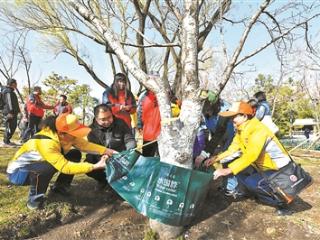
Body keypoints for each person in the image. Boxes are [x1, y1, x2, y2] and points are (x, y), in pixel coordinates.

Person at [7, 113, 116, 210]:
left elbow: (84, 145)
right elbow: (65, 167)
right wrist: (95, 166)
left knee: (74, 154)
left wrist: (107, 150)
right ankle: (34, 201)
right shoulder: (46, 143)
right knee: (46, 168)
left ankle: (60, 188)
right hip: (18, 173)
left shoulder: (66, 135)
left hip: (38, 165)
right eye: (75, 133)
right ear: (62, 133)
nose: (77, 135)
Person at [206, 101, 293, 215]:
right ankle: (263, 191)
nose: (232, 120)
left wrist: (227, 170)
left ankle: (283, 202)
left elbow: (251, 155)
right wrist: (215, 158)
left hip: (279, 168)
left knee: (251, 182)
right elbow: (233, 149)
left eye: (234, 116)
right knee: (241, 174)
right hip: (265, 166)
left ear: (244, 116)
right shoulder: (241, 130)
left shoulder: (257, 130)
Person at [85, 104, 136, 189]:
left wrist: (129, 152)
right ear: (96, 118)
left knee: (135, 158)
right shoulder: (90, 130)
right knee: (88, 163)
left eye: (109, 117)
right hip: (103, 158)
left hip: (121, 156)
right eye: (103, 119)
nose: (107, 121)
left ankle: (121, 181)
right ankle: (103, 180)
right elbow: (94, 149)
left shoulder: (120, 123)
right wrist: (104, 159)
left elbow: (129, 140)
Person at [137, 89, 160, 157]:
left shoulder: (164, 94)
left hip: (162, 134)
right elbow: (139, 113)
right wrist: (139, 125)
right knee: (147, 158)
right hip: (148, 133)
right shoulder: (144, 96)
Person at [1, 79, 20, 147]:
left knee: (13, 126)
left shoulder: (10, 91)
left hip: (12, 112)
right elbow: (9, 103)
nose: (16, 84)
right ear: (12, 84)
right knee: (9, 127)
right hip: (9, 112)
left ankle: (7, 140)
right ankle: (5, 142)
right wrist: (10, 112)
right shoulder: (8, 91)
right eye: (16, 83)